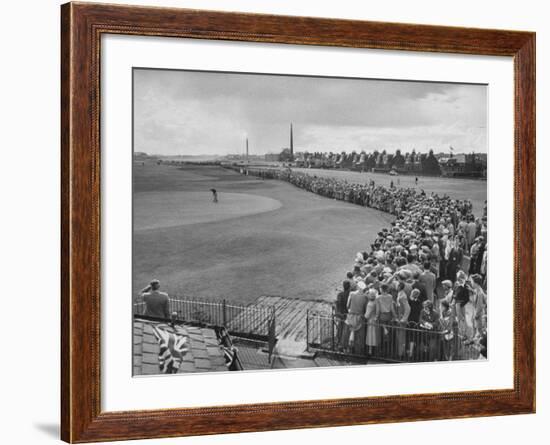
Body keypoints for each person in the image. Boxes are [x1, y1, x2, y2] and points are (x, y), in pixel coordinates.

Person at [334, 281, 351, 350]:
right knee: (346, 330)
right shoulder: (350, 294)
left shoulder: (340, 295)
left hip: (341, 314)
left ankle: (339, 343)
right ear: (349, 287)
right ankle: (344, 344)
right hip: (347, 314)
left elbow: (338, 304)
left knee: (340, 329)